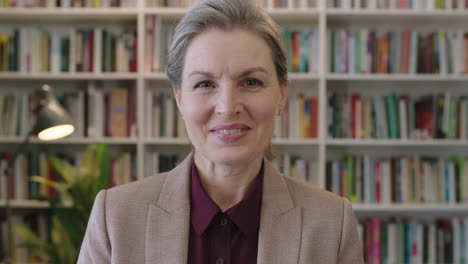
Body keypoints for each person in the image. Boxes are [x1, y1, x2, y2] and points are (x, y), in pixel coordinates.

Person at [77, 0, 364, 263]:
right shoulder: (114, 218)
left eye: (251, 82)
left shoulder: (332, 223)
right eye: (205, 84)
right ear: (180, 98)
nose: (227, 107)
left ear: (281, 95)